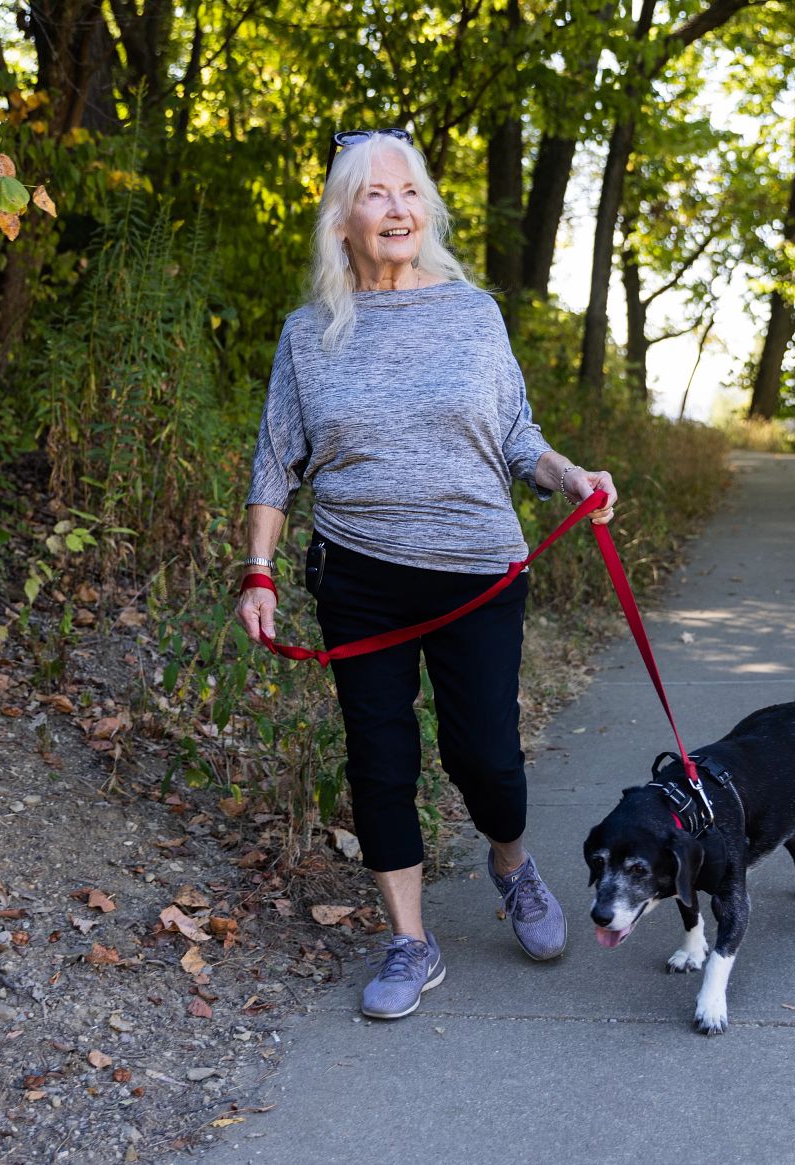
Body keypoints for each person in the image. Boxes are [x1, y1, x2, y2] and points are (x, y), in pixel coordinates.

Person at [233, 128, 619, 1019]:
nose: (397, 208)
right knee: (380, 760)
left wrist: (572, 477)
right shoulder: (308, 334)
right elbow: (274, 463)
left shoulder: (473, 313)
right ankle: (409, 938)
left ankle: (512, 866)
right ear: (342, 219)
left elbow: (519, 436)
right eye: (374, 194)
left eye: (408, 192)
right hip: (358, 574)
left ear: (427, 209)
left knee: (484, 754)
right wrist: (257, 569)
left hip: (477, 570)